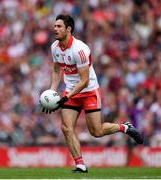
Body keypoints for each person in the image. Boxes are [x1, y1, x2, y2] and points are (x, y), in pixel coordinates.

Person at [43, 14, 143, 173]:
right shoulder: (54, 47)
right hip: (70, 92)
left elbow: (84, 81)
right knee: (66, 128)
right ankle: (80, 165)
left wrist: (65, 97)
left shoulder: (80, 49)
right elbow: (56, 70)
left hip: (89, 91)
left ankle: (124, 128)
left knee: (96, 132)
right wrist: (51, 93)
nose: (55, 29)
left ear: (68, 29)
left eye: (59, 26)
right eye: (55, 26)